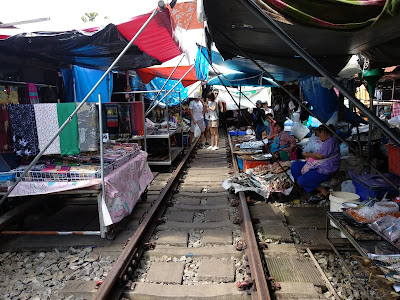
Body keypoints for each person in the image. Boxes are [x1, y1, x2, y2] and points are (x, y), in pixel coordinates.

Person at [291, 125, 340, 202]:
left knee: (302, 180)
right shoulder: (327, 141)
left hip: (325, 169)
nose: (319, 136)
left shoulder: (331, 141)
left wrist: (308, 155)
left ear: (323, 132)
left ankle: (321, 190)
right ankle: (303, 187)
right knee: (295, 165)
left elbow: (319, 156)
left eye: (319, 134)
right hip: (318, 164)